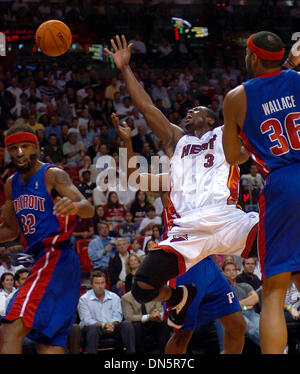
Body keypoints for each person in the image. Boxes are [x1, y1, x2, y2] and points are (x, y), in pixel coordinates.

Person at [105, 36, 259, 329]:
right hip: (188, 229)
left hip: (228, 218)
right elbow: (148, 108)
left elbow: (251, 104)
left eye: (196, 109)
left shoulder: (226, 132)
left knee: (287, 243)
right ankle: (177, 297)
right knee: (141, 287)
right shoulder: (178, 140)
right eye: (187, 111)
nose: (189, 111)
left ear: (212, 117)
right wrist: (125, 69)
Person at [111, 114, 248, 355]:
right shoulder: (172, 180)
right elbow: (133, 178)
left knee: (237, 324)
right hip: (184, 262)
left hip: (208, 263)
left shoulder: (212, 174)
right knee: (182, 334)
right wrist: (127, 143)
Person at [222, 31, 300, 353]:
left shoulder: (237, 97)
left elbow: (233, 157)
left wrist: (253, 147)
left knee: (273, 291)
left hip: (282, 184)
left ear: (253, 58)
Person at [0, 123, 94, 354]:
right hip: (43, 260)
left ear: (36, 148)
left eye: (25, 146)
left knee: (11, 327)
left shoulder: (52, 174)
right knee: (47, 340)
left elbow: (88, 208)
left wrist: (72, 206)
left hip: (57, 256)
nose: (19, 153)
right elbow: (11, 230)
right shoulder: (12, 184)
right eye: (14, 149)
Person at [77, 270, 135, 354]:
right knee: (93, 329)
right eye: (97, 283)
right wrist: (104, 325)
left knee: (127, 324)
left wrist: (111, 324)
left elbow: (118, 316)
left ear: (105, 284)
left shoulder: (114, 297)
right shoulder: (84, 299)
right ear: (92, 285)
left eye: (102, 283)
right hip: (95, 327)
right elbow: (86, 320)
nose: (100, 286)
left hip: (112, 326)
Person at [222, 262, 261, 348]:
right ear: (223, 273)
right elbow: (228, 307)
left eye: (233, 270)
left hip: (251, 313)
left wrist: (237, 304)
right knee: (251, 330)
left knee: (263, 327)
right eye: (228, 270)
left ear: (237, 272)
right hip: (236, 315)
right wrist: (246, 304)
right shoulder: (223, 290)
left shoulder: (245, 286)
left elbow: (255, 299)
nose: (231, 272)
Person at [121, 290, 172, 354]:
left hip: (153, 323)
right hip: (138, 324)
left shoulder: (155, 295)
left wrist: (158, 315)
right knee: (137, 325)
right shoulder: (126, 297)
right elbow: (129, 317)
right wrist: (148, 317)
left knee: (164, 323)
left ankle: (164, 351)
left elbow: (162, 312)